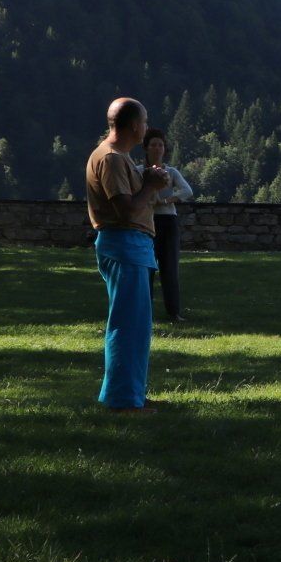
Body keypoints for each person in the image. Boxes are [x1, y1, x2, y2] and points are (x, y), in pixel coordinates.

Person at [85, 97, 170, 412]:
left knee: (136, 326)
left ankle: (130, 393)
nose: (146, 129)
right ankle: (123, 400)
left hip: (132, 246)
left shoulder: (117, 157)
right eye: (145, 122)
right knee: (128, 326)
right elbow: (125, 210)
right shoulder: (111, 159)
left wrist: (150, 185)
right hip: (125, 244)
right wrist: (149, 187)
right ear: (134, 125)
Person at [142, 127, 195, 323]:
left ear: (165, 149)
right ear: (146, 148)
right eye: (153, 145)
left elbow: (187, 191)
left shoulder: (171, 172)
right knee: (146, 268)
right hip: (146, 222)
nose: (157, 148)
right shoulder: (139, 172)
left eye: (160, 145)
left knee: (170, 268)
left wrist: (165, 201)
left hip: (168, 222)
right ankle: (144, 311)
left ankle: (174, 312)